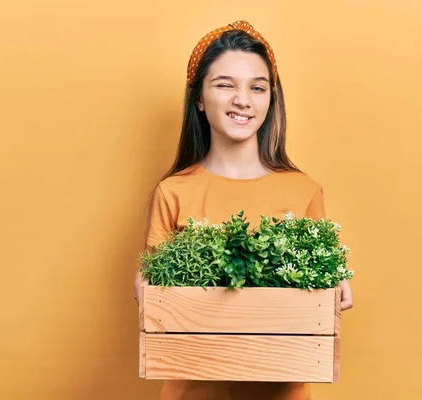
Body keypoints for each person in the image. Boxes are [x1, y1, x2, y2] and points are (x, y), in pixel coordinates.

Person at [134, 20, 353, 400]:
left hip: (281, 390)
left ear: (271, 99)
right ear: (199, 99)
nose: (243, 100)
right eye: (225, 85)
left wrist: (333, 290)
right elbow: (155, 293)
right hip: (192, 390)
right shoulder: (173, 192)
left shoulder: (303, 191)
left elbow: (320, 298)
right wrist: (146, 290)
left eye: (257, 87)